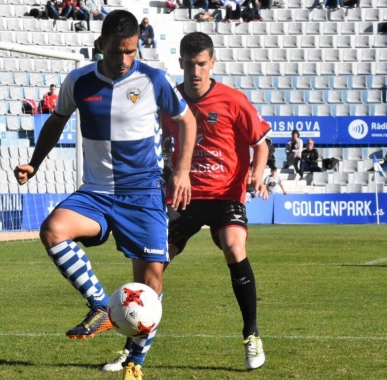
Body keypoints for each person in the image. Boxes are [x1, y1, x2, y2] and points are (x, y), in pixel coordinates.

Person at [13, 10, 196, 380]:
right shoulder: (79, 81)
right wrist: (34, 163)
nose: (125, 59)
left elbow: (187, 121)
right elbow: (56, 120)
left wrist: (182, 171)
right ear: (101, 46)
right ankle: (101, 305)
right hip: (96, 192)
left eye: (131, 51)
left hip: (142, 194)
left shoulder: (153, 79)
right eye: (117, 51)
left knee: (150, 286)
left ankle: (134, 363)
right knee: (53, 230)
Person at [103, 31, 268, 374]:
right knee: (153, 265)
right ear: (180, 63)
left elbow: (262, 143)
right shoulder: (169, 100)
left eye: (202, 64)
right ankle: (133, 349)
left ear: (213, 63)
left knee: (234, 247)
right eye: (190, 64)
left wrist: (257, 173)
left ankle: (251, 335)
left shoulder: (233, 101)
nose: (196, 71)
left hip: (225, 195)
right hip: (183, 196)